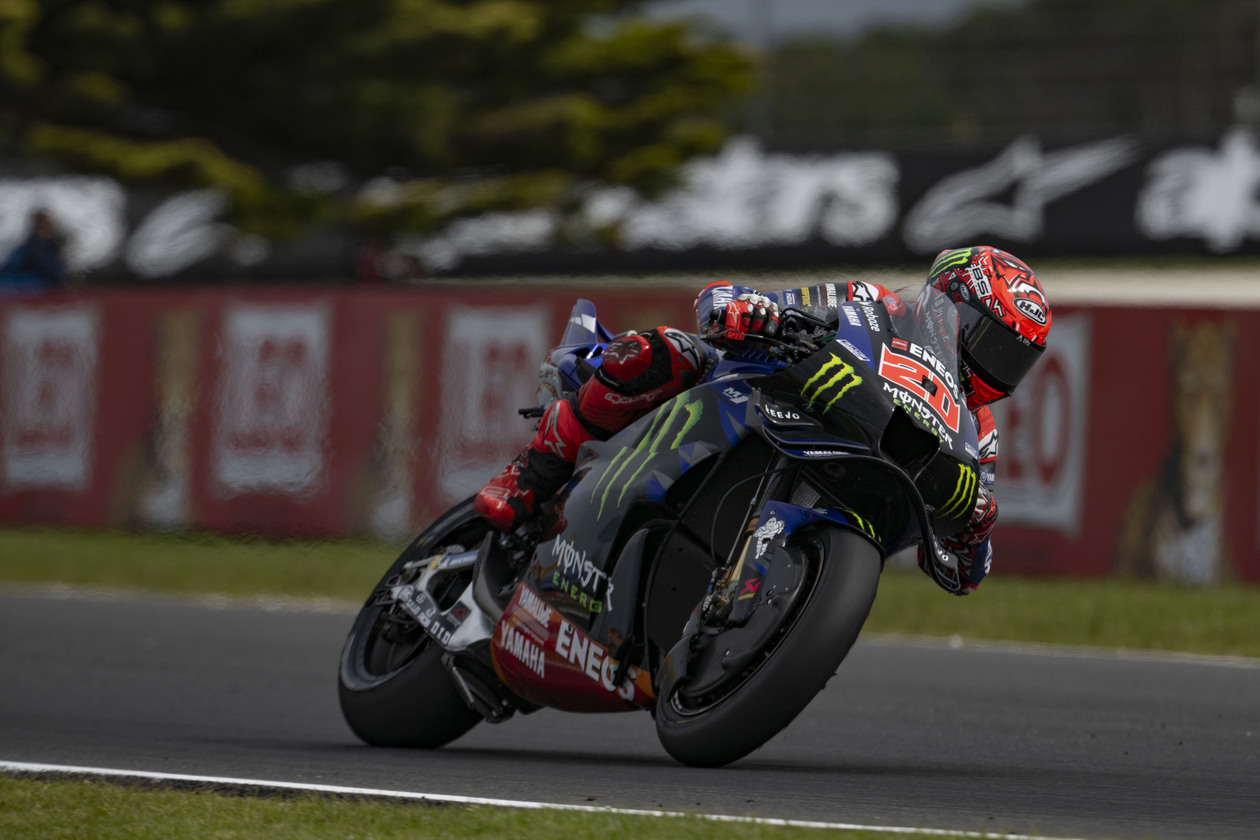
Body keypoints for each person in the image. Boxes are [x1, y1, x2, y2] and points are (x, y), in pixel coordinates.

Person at [475, 245, 1052, 596]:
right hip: (752, 391)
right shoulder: (875, 302)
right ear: (947, 301)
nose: (993, 366)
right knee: (669, 351)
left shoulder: (977, 433)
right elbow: (744, 299)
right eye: (990, 341)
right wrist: (747, 310)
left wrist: (976, 530)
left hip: (845, 468)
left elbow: (960, 571)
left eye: (1013, 359)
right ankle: (536, 470)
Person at [0, 209, 68, 293]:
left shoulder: (53, 247)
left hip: (40, 285)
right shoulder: (27, 247)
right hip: (23, 283)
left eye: (46, 226)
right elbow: (10, 269)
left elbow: (55, 272)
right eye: (41, 226)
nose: (44, 229)